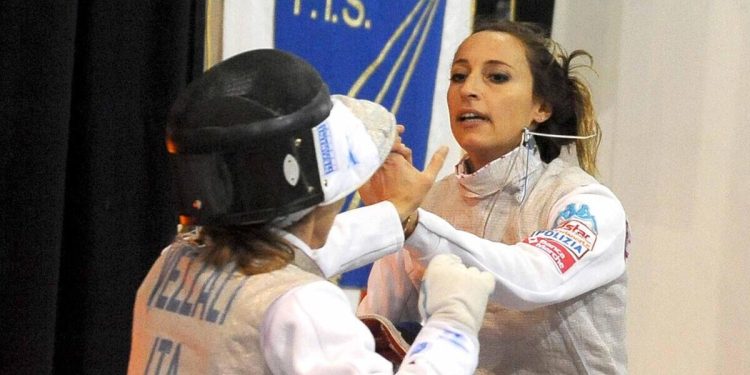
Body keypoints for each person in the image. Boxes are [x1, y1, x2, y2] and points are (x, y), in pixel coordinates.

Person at [126, 48, 496, 374]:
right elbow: (290, 278)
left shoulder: (175, 261)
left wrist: (396, 211)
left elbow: (288, 253)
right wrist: (454, 318)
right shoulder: (302, 305)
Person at [349, 19, 630, 374]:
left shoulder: (586, 203)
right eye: (458, 76)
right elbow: (376, 330)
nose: (469, 89)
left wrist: (413, 225)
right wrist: (385, 214)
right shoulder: (429, 205)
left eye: (496, 77)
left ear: (540, 107)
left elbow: (534, 278)